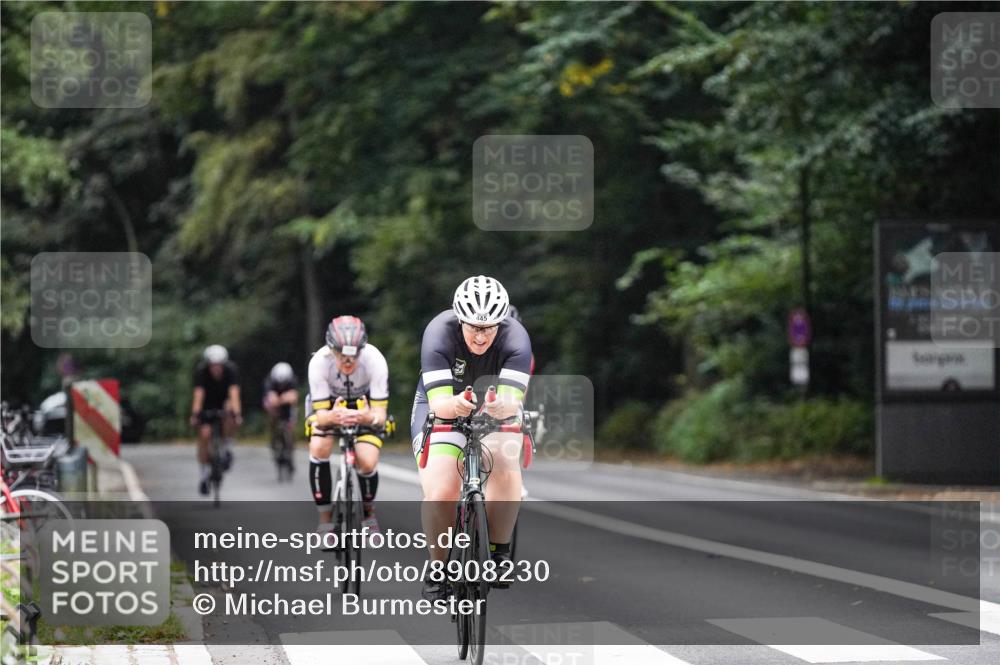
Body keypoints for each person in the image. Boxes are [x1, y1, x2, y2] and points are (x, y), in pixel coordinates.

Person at [411, 275, 531, 599]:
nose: (481, 337)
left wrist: (500, 406)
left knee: (505, 454)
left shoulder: (516, 337)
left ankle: (500, 549)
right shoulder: (439, 332)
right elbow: (439, 404)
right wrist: (456, 405)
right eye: (474, 328)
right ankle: (438, 567)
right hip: (442, 403)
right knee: (441, 491)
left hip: (490, 407)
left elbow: (511, 402)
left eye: (489, 328)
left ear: (501, 322)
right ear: (460, 319)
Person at [305, 316, 389, 536]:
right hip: (329, 406)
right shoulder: (319, 362)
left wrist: (367, 418)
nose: (348, 361)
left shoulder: (375, 360)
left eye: (353, 355)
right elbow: (321, 416)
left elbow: (380, 415)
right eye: (342, 355)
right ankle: (325, 520)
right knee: (319, 447)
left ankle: (368, 514)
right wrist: (332, 417)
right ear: (331, 349)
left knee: (368, 461)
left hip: (366, 406)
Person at [189, 344, 242, 495]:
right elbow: (199, 394)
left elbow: (234, 393)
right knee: (204, 435)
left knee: (230, 413)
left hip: (223, 403)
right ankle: (204, 474)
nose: (216, 369)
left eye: (219, 366)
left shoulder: (231, 370)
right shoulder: (201, 372)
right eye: (213, 366)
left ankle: (226, 448)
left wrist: (237, 414)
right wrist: (195, 414)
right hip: (207, 404)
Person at [263, 362, 299, 475]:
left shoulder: (293, 380)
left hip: (288, 407)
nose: (282, 385)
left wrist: (282, 399)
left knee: (290, 426)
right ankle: (273, 435)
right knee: (271, 411)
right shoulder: (270, 382)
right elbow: (270, 398)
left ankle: (290, 448)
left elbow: (294, 397)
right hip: (275, 405)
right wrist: (280, 399)